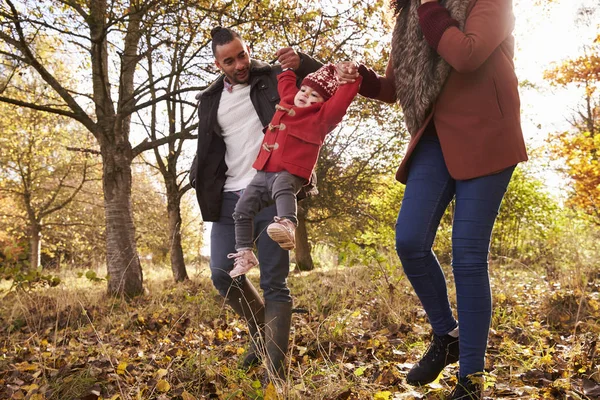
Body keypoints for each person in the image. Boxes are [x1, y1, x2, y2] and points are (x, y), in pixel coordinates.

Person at [337, 0, 528, 398]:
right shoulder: (410, 17)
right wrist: (360, 79)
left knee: (468, 257)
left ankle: (471, 380)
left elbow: (467, 54)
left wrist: (427, 7)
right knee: (409, 239)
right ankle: (448, 335)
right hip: (434, 141)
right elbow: (394, 88)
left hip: (488, 136)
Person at [188, 26, 322, 380]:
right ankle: (263, 334)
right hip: (229, 198)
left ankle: (274, 371)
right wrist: (197, 175)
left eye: (242, 54)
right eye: (229, 60)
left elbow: (326, 82)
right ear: (217, 63)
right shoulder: (210, 99)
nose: (239, 64)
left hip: (269, 188)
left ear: (248, 50)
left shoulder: (275, 77)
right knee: (222, 274)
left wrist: (303, 61)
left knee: (274, 282)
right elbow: (209, 148)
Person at [227, 64, 362, 278]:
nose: (305, 97)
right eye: (304, 91)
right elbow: (286, 82)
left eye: (314, 96)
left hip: (291, 172)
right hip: (263, 171)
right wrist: (287, 66)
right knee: (242, 208)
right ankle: (245, 253)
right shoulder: (288, 100)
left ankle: (288, 224)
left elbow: (342, 101)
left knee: (282, 185)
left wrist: (351, 79)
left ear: (324, 102)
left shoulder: (322, 117)